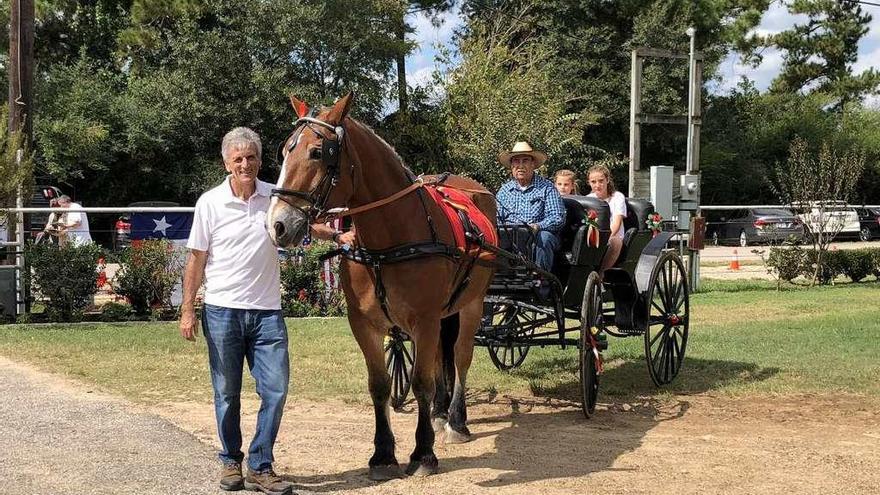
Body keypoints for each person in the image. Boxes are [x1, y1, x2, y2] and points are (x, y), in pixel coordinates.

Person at [179, 127, 293, 495]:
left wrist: (337, 235)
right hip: (222, 311)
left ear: (260, 160)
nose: (246, 164)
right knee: (226, 392)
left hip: (267, 313)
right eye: (238, 158)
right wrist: (187, 309)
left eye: (252, 157)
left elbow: (301, 222)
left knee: (275, 390)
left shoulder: (274, 195)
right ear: (227, 163)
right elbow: (196, 259)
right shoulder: (209, 203)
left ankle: (261, 465)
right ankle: (231, 460)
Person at [496, 141, 566, 273]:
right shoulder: (504, 191)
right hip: (510, 236)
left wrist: (537, 226)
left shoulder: (547, 188)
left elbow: (557, 218)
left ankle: (541, 281)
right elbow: (497, 218)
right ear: (511, 166)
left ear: (533, 164)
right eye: (516, 161)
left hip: (537, 235)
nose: (520, 166)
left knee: (544, 238)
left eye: (525, 161)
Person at [586, 164, 627, 272]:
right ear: (589, 182)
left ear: (607, 180)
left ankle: (602, 273)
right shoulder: (588, 199)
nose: (597, 185)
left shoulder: (617, 197)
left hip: (613, 236)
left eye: (601, 181)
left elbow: (617, 223)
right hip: (594, 237)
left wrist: (605, 238)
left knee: (615, 242)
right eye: (593, 182)